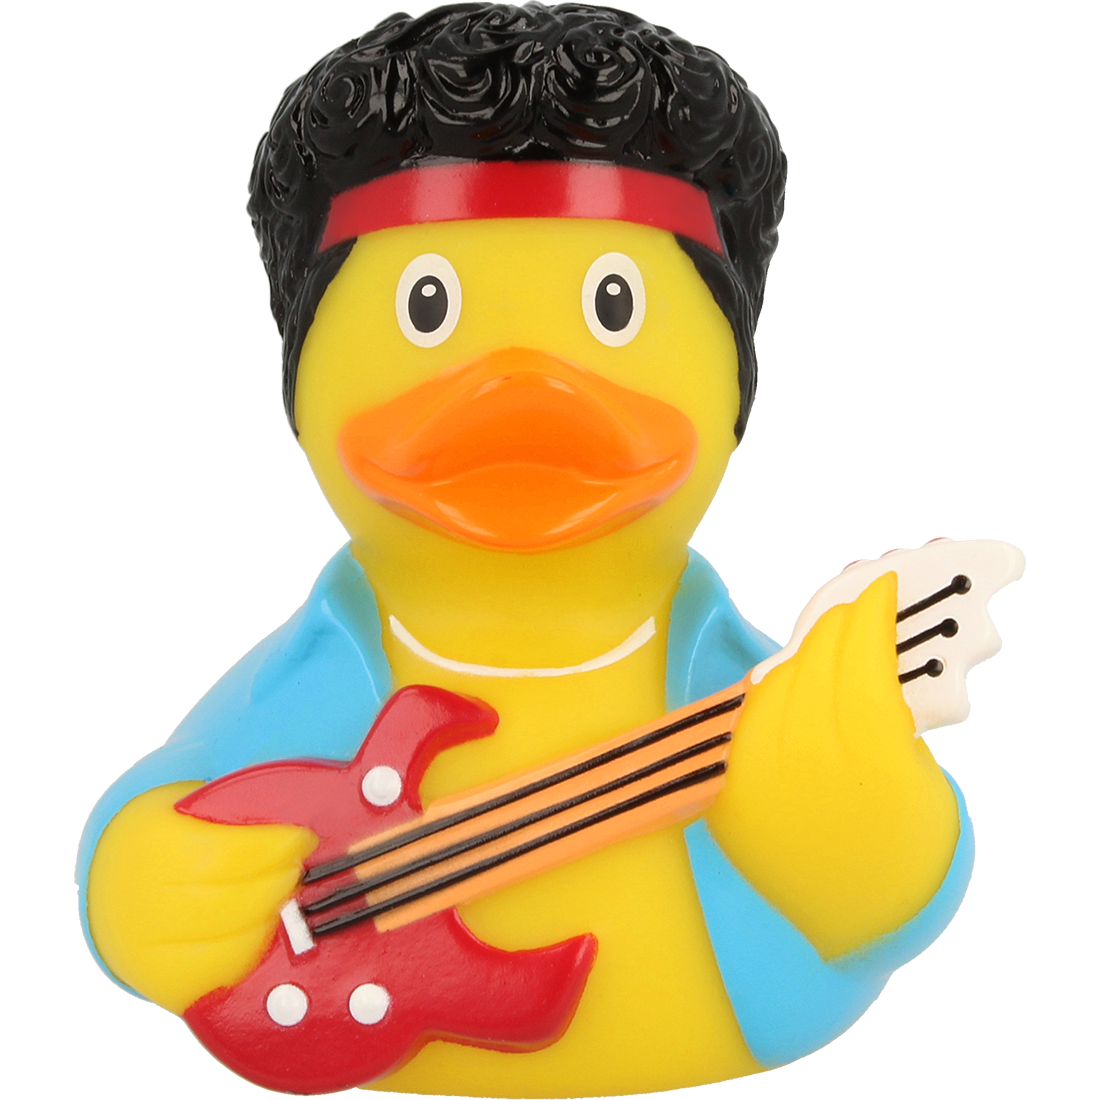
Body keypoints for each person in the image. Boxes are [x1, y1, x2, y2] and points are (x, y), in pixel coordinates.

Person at [80, 6, 967, 1092]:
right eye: (428, 308)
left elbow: (894, 900)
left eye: (611, 306)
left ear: (732, 378)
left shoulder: (744, 692)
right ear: (301, 384)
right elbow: (175, 794)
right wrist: (143, 887)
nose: (521, 392)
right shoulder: (330, 677)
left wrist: (864, 833)